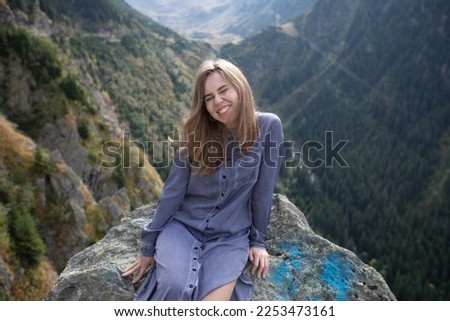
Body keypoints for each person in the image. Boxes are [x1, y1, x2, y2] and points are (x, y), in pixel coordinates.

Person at [122, 58, 284, 301]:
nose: (218, 102)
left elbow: (263, 191)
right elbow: (172, 193)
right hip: (182, 229)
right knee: (174, 289)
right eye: (209, 98)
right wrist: (148, 246)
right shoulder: (196, 134)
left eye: (223, 90)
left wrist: (258, 241)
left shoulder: (269, 126)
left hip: (230, 237)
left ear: (240, 87)